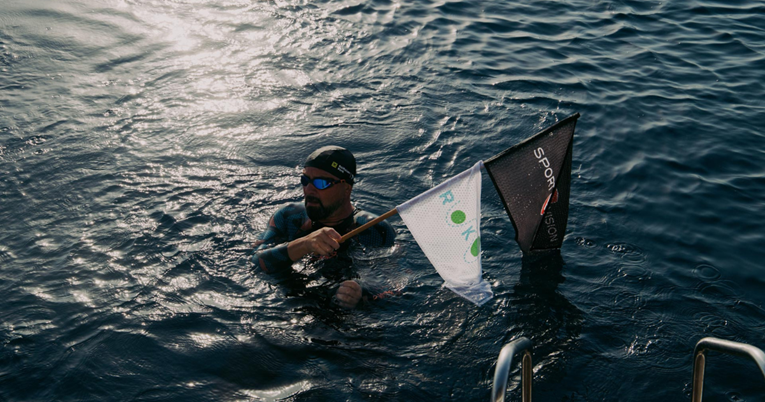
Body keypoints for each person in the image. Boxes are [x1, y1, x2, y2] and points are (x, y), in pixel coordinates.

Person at [252, 146, 396, 309]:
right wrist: (305, 244)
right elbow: (257, 262)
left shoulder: (373, 230)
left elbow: (396, 286)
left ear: (346, 188)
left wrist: (363, 295)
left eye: (322, 183)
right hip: (290, 306)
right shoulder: (289, 216)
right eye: (305, 180)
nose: (309, 189)